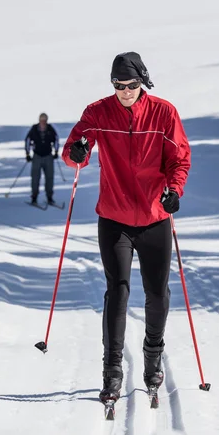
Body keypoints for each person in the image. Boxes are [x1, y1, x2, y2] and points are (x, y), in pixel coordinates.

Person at [62, 52, 190, 404]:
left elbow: (179, 159)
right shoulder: (98, 112)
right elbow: (74, 152)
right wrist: (77, 151)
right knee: (117, 291)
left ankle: (152, 358)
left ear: (142, 82)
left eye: (131, 85)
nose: (125, 92)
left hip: (154, 217)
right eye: (118, 86)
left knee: (157, 293)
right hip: (114, 217)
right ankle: (112, 370)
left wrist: (174, 192)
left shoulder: (164, 113)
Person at [25, 113, 59, 205]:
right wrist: (27, 154)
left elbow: (56, 139)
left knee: (49, 177)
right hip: (37, 156)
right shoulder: (34, 129)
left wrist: (56, 152)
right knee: (35, 177)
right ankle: (34, 197)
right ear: (39, 120)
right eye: (42, 120)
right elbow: (28, 140)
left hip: (48, 156)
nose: (43, 122)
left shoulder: (50, 129)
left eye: (45, 120)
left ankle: (49, 197)